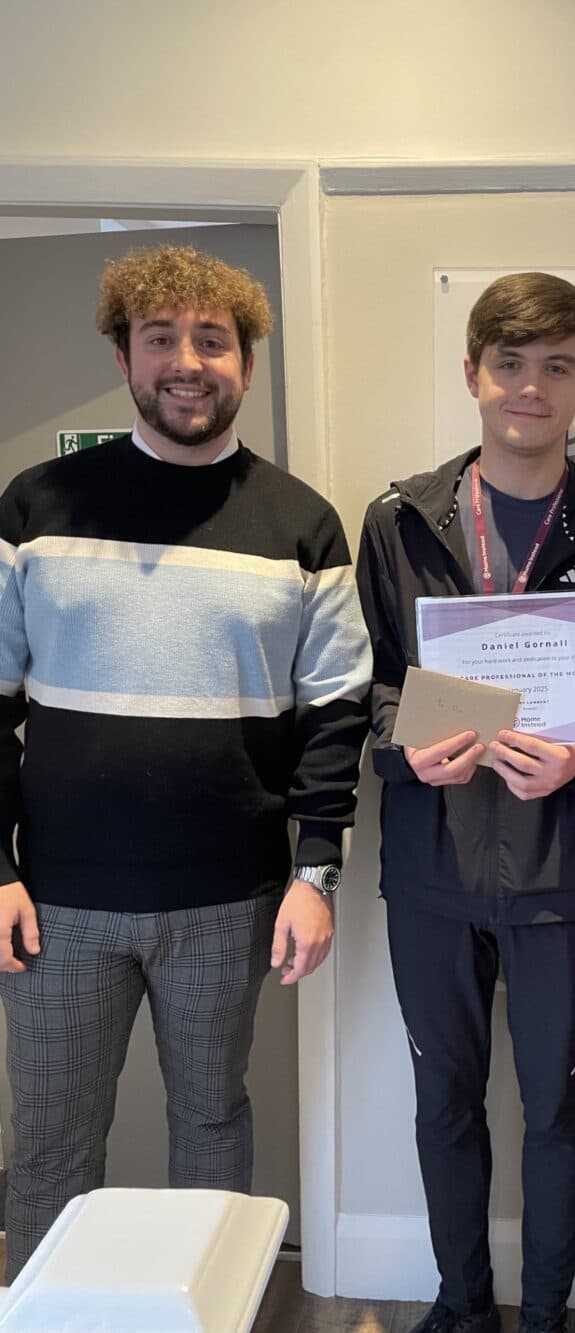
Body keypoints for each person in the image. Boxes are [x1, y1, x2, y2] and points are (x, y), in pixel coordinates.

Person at [0, 243, 372, 1278]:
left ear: (245, 361)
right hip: (57, 902)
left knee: (212, 1128)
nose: (187, 360)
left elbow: (336, 713)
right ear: (125, 355)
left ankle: (209, 1309)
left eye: (213, 339)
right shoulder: (35, 506)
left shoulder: (300, 524)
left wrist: (316, 872)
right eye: (161, 337)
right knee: (53, 1149)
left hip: (229, 897)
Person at [357, 272, 575, 1333]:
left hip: (563, 877)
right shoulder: (398, 518)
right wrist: (413, 758)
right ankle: (461, 1309)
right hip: (434, 873)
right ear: (472, 374)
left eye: (555, 366)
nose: (528, 388)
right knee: (443, 1104)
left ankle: (542, 1316)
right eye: (509, 363)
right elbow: (368, 691)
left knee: (557, 1112)